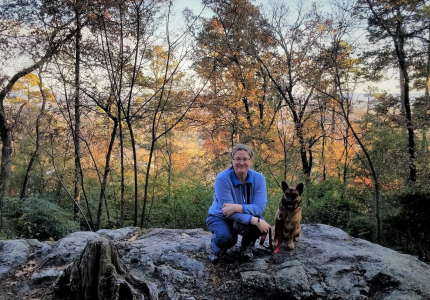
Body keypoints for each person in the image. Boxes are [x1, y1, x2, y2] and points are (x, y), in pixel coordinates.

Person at [206, 144, 271, 263]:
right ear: (232, 160)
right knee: (227, 239)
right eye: (238, 159)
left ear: (250, 161)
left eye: (245, 159)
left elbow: (259, 207)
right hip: (219, 216)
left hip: (239, 214)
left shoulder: (258, 178)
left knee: (260, 225)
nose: (241, 162)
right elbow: (227, 211)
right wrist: (254, 220)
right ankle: (213, 244)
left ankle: (246, 246)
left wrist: (237, 207)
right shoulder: (222, 179)